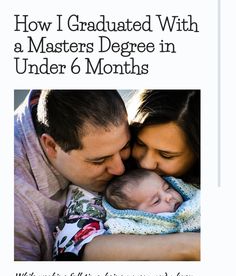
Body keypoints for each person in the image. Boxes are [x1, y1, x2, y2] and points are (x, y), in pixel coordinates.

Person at [15, 89, 200, 261]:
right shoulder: (113, 185)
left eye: (166, 155)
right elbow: (72, 245)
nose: (145, 163)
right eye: (140, 144)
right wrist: (189, 246)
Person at [103, 168, 200, 234]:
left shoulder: (195, 201)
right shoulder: (140, 229)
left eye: (167, 188)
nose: (169, 196)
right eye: (156, 201)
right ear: (135, 215)